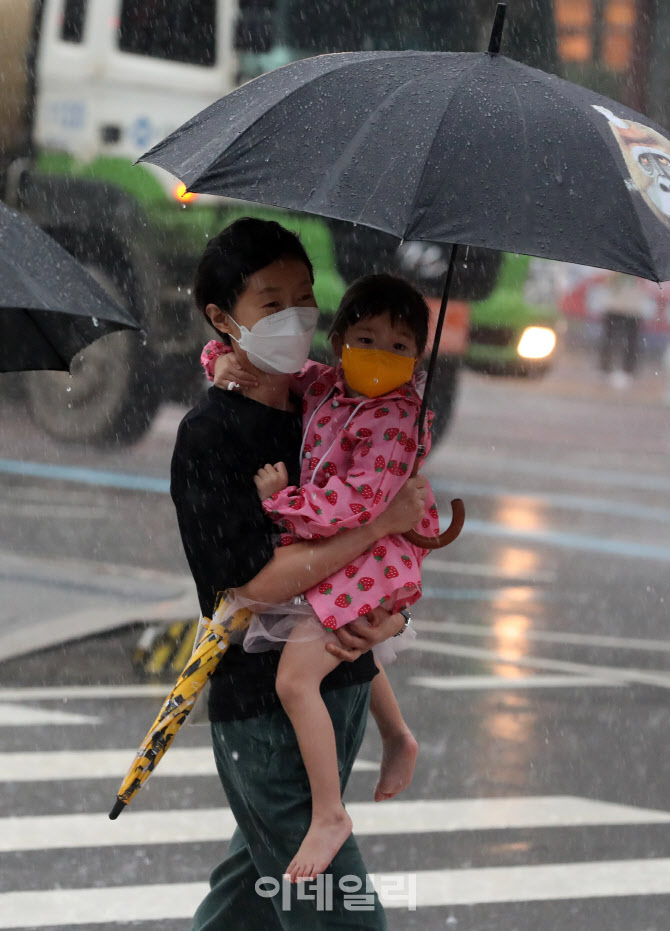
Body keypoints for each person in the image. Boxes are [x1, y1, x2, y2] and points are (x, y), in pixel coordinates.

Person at [172, 217, 428, 929]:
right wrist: (377, 528)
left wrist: (394, 612)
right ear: (223, 320)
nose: (296, 317)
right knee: (344, 917)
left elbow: (382, 525)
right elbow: (254, 583)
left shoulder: (328, 405)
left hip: (341, 691)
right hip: (264, 711)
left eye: (305, 297)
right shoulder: (212, 435)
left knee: (245, 904)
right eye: (271, 301)